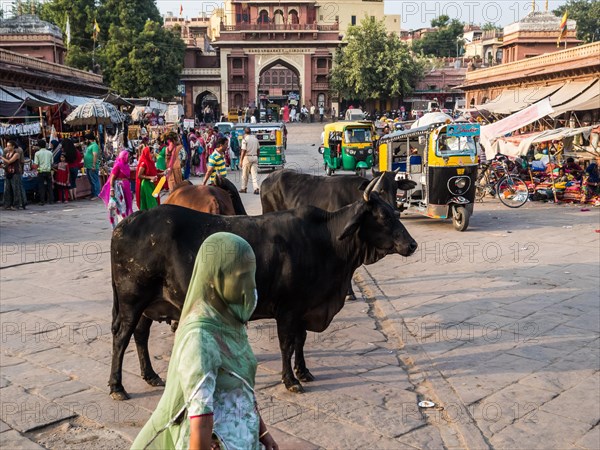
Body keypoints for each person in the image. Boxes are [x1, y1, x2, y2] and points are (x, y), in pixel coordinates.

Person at [131, 232, 279, 450]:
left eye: (252, 276)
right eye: (240, 277)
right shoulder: (200, 338)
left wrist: (263, 433)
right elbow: (200, 420)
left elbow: (242, 390)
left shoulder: (228, 321)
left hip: (244, 437)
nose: (249, 286)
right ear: (214, 278)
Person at [99, 150, 133, 228]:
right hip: (119, 188)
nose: (128, 158)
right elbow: (112, 178)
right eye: (127, 157)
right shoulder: (118, 165)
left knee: (128, 204)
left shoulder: (127, 166)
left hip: (126, 187)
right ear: (123, 157)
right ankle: (121, 224)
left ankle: (128, 222)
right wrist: (112, 189)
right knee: (121, 206)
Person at [1, 140, 25, 210]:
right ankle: (7, 204)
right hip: (8, 172)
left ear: (13, 146)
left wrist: (2, 157)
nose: (7, 147)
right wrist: (3, 166)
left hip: (15, 173)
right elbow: (6, 164)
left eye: (9, 146)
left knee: (15, 189)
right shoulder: (7, 154)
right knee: (7, 190)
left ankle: (16, 204)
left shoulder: (16, 154)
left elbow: (9, 161)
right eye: (7, 146)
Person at [136, 145, 160, 210]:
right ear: (147, 153)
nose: (153, 154)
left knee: (152, 201)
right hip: (146, 185)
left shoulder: (151, 162)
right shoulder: (144, 163)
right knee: (152, 203)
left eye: (153, 152)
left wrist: (163, 173)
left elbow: (153, 173)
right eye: (151, 153)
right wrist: (150, 177)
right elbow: (139, 175)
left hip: (151, 184)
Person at [33, 139, 54, 205]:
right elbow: (52, 163)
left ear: (39, 146)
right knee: (49, 186)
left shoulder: (37, 153)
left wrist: (37, 170)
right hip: (48, 171)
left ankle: (42, 201)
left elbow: (36, 164)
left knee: (41, 186)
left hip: (41, 171)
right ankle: (51, 200)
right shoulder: (50, 153)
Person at [240, 127, 260, 194]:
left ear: (245, 132)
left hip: (247, 157)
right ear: (250, 132)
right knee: (254, 175)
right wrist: (257, 157)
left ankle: (244, 188)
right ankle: (256, 188)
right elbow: (258, 150)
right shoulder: (255, 139)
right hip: (254, 157)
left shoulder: (245, 139)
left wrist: (241, 160)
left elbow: (243, 150)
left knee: (244, 174)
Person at [83, 133, 101, 200]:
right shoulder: (89, 145)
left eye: (86, 139)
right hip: (88, 166)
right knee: (91, 181)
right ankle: (93, 194)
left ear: (89, 139)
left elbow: (95, 155)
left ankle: (97, 195)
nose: (85, 140)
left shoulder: (94, 145)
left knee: (95, 180)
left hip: (92, 166)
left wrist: (93, 165)